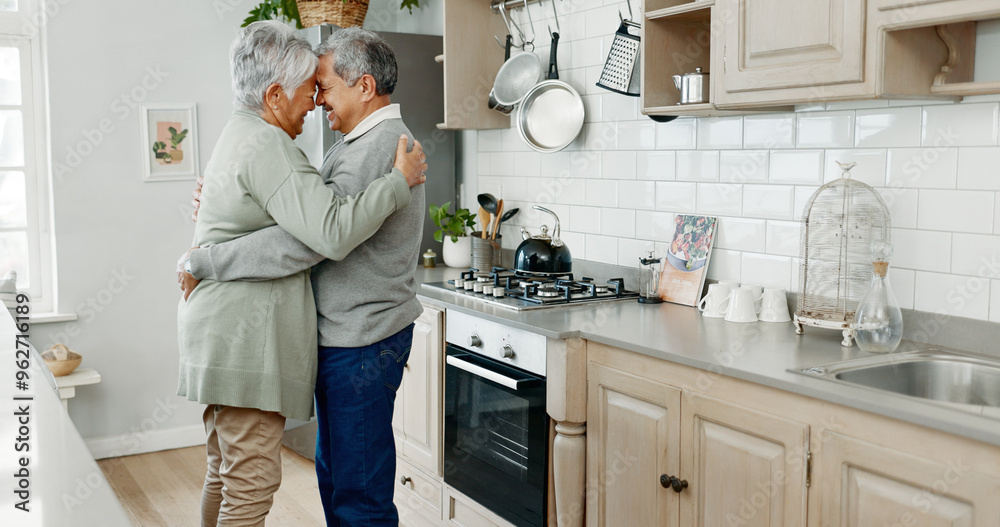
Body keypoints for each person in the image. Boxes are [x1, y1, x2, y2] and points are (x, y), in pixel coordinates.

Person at [176, 21, 426, 527]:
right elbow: (307, 221)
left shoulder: (379, 148)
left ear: (364, 86)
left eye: (324, 86)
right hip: (331, 340)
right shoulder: (344, 145)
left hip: (362, 339)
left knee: (353, 489)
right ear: (272, 94)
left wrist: (209, 256)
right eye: (312, 88)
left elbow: (314, 236)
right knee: (332, 480)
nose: (316, 100)